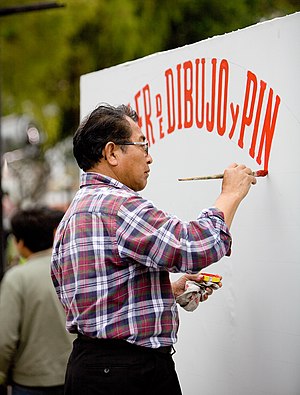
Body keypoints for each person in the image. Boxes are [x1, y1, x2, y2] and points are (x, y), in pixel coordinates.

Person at [51, 103, 256, 395]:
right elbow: (194, 246)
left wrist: (165, 291)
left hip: (90, 369)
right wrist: (230, 194)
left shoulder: (74, 213)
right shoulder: (117, 205)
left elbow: (91, 297)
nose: (150, 157)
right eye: (142, 144)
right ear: (111, 153)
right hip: (128, 374)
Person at [0, 207, 75, 395]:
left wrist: (1, 374)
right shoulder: (72, 270)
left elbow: (5, 339)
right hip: (73, 374)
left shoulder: (17, 278)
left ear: (20, 242)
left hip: (30, 381)